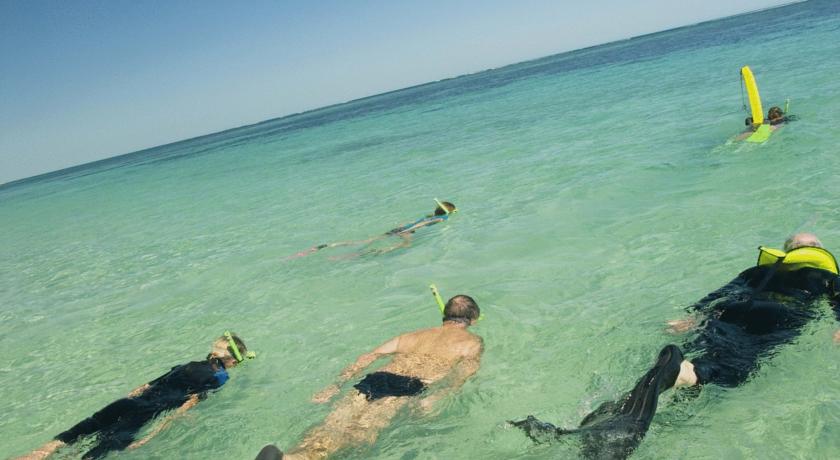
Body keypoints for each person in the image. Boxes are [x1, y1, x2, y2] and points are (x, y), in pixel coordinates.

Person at [512, 233, 840, 459]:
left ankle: (610, 413)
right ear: (818, 253)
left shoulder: (757, 270)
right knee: (734, 368)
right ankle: (681, 371)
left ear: (786, 250)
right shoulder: (821, 275)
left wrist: (691, 315)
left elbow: (720, 293)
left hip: (724, 316)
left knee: (706, 355)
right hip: (777, 316)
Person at [257, 295, 483, 459]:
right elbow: (465, 371)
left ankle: (288, 457)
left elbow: (369, 356)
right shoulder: (472, 342)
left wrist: (335, 385)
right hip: (408, 385)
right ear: (472, 319)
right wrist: (438, 396)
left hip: (376, 378)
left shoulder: (412, 336)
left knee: (335, 422)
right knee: (361, 435)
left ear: (444, 315)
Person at [16, 333, 253, 460]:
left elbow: (148, 384)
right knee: (106, 445)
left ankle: (38, 453)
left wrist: (133, 396)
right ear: (231, 361)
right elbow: (187, 405)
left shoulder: (187, 364)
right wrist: (153, 434)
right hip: (149, 411)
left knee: (87, 427)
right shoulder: (220, 378)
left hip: (132, 402)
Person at [287, 200, 457, 259]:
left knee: (364, 241)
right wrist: (407, 231)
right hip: (407, 231)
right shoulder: (441, 218)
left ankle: (325, 246)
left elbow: (412, 221)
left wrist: (402, 227)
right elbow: (417, 225)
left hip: (401, 228)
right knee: (403, 246)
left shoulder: (428, 215)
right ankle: (360, 255)